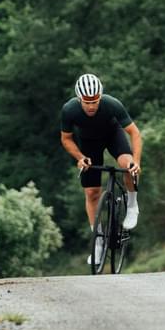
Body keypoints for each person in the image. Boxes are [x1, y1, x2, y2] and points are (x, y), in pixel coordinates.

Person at [59, 73, 143, 265]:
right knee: (91, 192)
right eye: (86, 102)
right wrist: (80, 158)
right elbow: (66, 138)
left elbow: (134, 133)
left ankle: (132, 205)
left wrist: (136, 161)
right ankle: (97, 241)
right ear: (79, 99)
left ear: (100, 97)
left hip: (113, 136)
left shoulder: (112, 104)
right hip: (89, 144)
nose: (91, 106)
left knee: (128, 166)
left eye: (95, 102)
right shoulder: (69, 110)